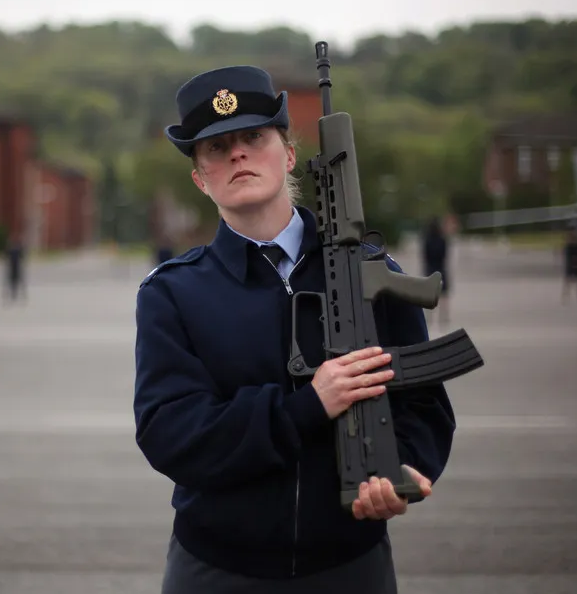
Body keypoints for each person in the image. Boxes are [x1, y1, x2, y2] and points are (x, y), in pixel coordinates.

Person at [134, 65, 456, 593]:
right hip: (216, 569)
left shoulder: (371, 272)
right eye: (216, 148)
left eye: (253, 137)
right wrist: (306, 407)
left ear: (287, 154)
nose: (237, 153)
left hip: (350, 563)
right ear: (200, 177)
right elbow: (171, 434)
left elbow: (422, 403)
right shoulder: (172, 293)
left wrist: (403, 468)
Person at [421, 216, 450, 328]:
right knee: (443, 295)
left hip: (430, 268)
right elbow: (445, 255)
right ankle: (443, 317)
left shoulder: (427, 240)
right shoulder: (443, 240)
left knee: (429, 295)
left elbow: (425, 256)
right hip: (441, 268)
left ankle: (429, 317)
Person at [562, 225, 577, 304]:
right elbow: (566, 253)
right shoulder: (568, 242)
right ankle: (566, 297)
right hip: (570, 264)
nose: (573, 233)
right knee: (568, 281)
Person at [4, 230, 26, 303]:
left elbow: (22, 256)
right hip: (13, 267)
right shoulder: (11, 248)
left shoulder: (17, 247)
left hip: (16, 266)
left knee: (17, 280)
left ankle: (18, 293)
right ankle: (12, 293)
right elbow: (6, 256)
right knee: (12, 280)